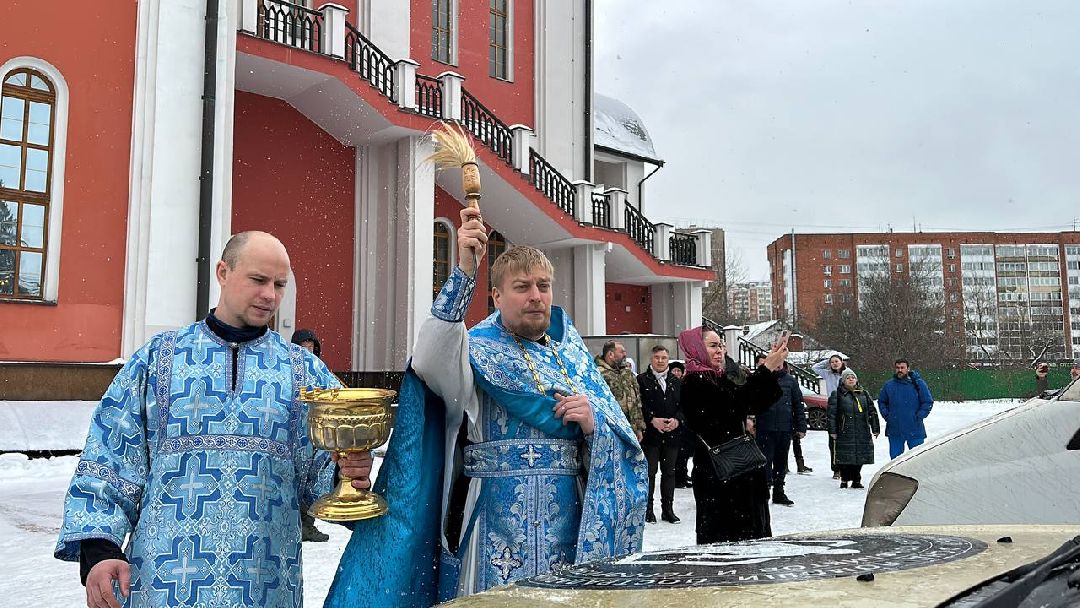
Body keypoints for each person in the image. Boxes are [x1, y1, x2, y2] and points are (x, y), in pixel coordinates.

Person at [324, 206, 647, 607]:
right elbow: (430, 356)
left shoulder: (573, 356)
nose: (536, 296)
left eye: (544, 286)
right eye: (522, 287)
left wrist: (595, 425)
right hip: (493, 519)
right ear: (496, 296)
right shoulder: (473, 350)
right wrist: (463, 271)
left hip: (568, 522)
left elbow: (623, 442)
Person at [54, 231, 372, 608]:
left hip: (264, 585)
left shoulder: (304, 373)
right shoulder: (159, 359)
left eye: (280, 284)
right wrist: (100, 548)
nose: (270, 295)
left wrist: (349, 473)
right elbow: (109, 455)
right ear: (223, 272)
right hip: (164, 583)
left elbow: (323, 474)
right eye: (258, 280)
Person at [679, 326, 787, 545]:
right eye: (712, 345)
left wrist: (772, 369)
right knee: (727, 545)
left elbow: (754, 403)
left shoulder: (717, 378)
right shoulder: (694, 382)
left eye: (720, 345)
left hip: (739, 470)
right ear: (697, 349)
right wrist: (765, 369)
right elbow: (732, 407)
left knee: (749, 537)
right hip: (720, 475)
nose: (720, 350)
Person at [290, 328, 331, 543]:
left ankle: (307, 524)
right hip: (293, 436)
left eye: (311, 347)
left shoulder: (319, 370)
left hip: (314, 434)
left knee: (311, 481)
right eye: (303, 346)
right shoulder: (288, 369)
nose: (307, 351)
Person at [637, 345, 684, 524]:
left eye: (664, 358)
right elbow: (638, 405)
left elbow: (683, 406)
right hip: (651, 436)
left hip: (672, 434)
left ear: (668, 359)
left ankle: (668, 510)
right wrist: (651, 419)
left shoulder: (676, 381)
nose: (660, 361)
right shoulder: (642, 380)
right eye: (657, 357)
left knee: (669, 473)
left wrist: (677, 420)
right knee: (649, 473)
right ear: (651, 359)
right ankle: (648, 510)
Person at [755, 361, 807, 506]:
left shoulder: (790, 381)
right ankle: (764, 491)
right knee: (765, 461)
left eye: (780, 363)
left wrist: (801, 426)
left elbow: (798, 404)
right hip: (765, 427)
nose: (777, 365)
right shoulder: (762, 379)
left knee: (781, 461)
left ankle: (779, 491)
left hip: (785, 427)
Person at [828, 369, 880, 488]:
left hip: (862, 430)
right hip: (844, 430)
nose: (851, 379)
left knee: (860, 455)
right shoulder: (837, 394)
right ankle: (845, 479)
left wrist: (875, 428)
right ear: (843, 381)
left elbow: (872, 412)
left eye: (853, 377)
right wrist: (833, 431)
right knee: (846, 456)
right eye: (848, 378)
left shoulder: (864, 394)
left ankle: (857, 479)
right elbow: (832, 415)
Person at [878, 359, 934, 459]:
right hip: (895, 428)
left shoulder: (918, 383)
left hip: (915, 427)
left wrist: (919, 415)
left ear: (908, 369)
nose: (900, 370)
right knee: (895, 461)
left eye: (902, 368)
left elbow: (927, 401)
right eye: (897, 368)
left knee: (917, 459)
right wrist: (887, 415)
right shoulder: (889, 385)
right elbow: (882, 402)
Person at [596, 340, 647, 442]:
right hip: (610, 429)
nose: (625, 354)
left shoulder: (627, 373)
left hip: (631, 429)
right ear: (611, 354)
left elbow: (635, 402)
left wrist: (638, 427)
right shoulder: (598, 374)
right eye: (622, 352)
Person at [813, 354, 849, 479]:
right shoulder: (827, 374)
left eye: (836, 361)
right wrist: (826, 361)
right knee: (833, 439)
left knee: (846, 439)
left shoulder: (847, 373)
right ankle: (836, 469)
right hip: (833, 407)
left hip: (846, 407)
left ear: (841, 362)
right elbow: (815, 368)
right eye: (832, 362)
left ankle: (847, 467)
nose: (834, 363)